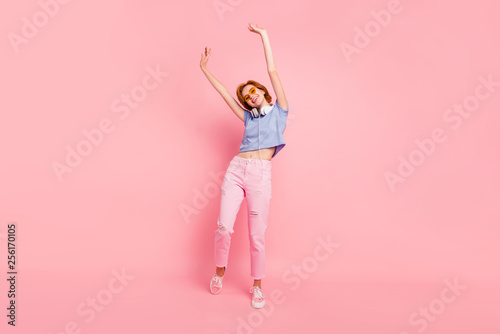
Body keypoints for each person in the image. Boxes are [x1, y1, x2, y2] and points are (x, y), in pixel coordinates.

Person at [200, 23, 289, 309]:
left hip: (260, 175)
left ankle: (258, 285)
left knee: (256, 235)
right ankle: (219, 271)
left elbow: (273, 71)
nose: (251, 96)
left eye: (254, 92)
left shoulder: (280, 110)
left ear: (264, 93)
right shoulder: (248, 118)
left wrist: (264, 35)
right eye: (247, 95)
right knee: (224, 226)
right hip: (237, 170)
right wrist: (205, 69)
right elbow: (226, 93)